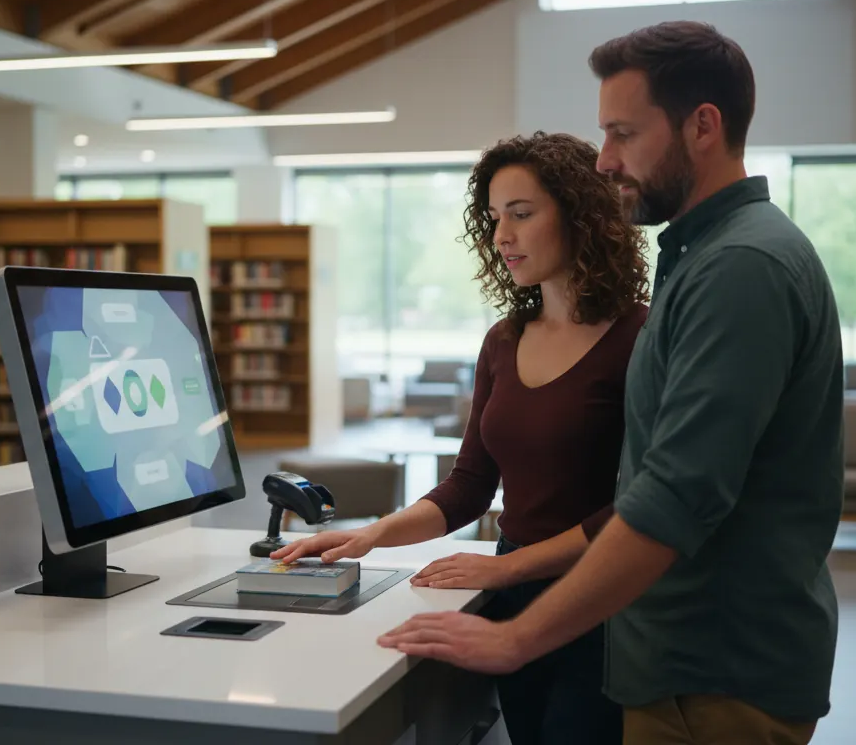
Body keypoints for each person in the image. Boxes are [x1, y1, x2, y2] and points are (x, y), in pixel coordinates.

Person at [377, 21, 845, 745]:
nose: (606, 160)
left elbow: (674, 495)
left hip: (715, 670)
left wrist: (516, 634)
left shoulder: (740, 268)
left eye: (623, 133)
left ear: (702, 126)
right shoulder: (699, 258)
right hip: (672, 656)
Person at [272, 131, 650, 745]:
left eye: (522, 215)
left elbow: (638, 508)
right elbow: (470, 486)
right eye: (495, 218)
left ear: (582, 217)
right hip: (510, 591)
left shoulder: (642, 335)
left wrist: (506, 570)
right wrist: (373, 535)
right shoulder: (504, 339)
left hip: (603, 606)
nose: (503, 235)